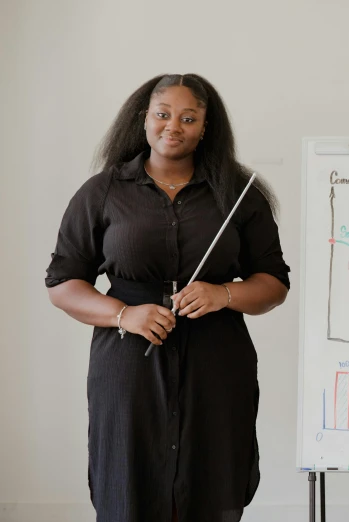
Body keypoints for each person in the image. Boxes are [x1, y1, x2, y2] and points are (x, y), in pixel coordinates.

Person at [45, 74, 290, 522]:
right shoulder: (102, 192)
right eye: (162, 114)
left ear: (205, 127)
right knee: (128, 493)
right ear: (144, 120)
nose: (172, 126)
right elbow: (62, 284)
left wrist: (224, 293)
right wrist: (124, 314)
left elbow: (274, 284)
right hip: (127, 369)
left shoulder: (239, 195)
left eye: (188, 117)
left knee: (212, 491)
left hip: (216, 366)